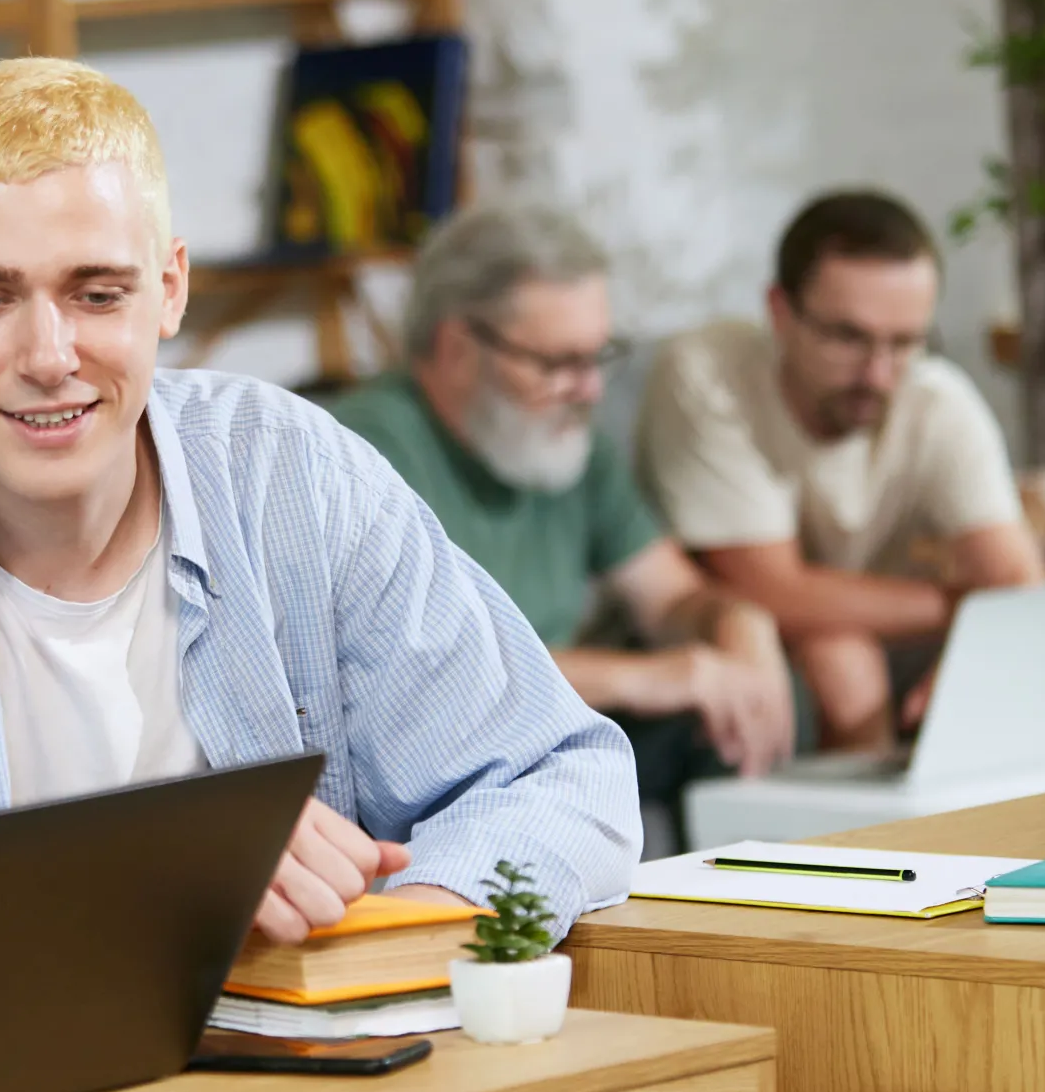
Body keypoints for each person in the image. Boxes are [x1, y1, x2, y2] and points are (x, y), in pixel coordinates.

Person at [0, 59, 639, 1006]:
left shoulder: (290, 469)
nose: (49, 358)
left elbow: (566, 776)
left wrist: (384, 940)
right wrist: (185, 882)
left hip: (307, 1074)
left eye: (98, 295)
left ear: (171, 287)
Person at [323, 205, 793, 825]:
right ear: (458, 347)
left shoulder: (565, 440)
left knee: (752, 707)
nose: (592, 390)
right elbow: (430, 678)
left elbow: (673, 597)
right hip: (438, 762)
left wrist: (739, 624)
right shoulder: (361, 454)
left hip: (551, 737)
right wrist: (647, 678)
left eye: (599, 358)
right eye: (558, 364)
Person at [635, 190, 1045, 751]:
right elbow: (765, 587)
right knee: (842, 658)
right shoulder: (708, 375)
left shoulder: (936, 398)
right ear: (780, 312)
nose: (878, 373)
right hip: (712, 631)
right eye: (848, 338)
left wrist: (978, 644)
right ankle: (871, 840)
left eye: (904, 342)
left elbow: (1020, 582)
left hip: (883, 630)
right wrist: (968, 605)